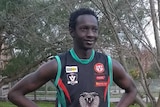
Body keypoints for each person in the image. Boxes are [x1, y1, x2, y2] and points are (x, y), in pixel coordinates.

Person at [8, 8, 137, 107]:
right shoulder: (57, 65)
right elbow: (15, 94)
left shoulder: (109, 64)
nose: (90, 34)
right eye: (84, 29)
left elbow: (131, 90)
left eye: (94, 29)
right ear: (72, 31)